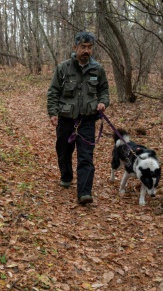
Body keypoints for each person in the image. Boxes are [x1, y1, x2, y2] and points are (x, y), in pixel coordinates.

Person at [47, 32, 109, 205]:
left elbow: (104, 90)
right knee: (64, 152)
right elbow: (53, 92)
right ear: (75, 48)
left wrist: (103, 102)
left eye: (89, 47)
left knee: (86, 156)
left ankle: (84, 193)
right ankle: (66, 176)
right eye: (83, 47)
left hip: (87, 120)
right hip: (66, 119)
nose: (86, 51)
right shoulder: (63, 68)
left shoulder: (98, 69)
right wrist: (53, 113)